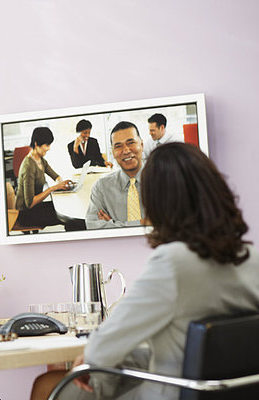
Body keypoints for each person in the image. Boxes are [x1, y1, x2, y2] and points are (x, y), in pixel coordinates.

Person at [31, 142, 259, 400]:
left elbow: (105, 346)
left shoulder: (173, 263)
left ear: (157, 202)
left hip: (172, 392)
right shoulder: (251, 259)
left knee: (48, 384)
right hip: (231, 391)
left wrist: (94, 356)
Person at [14, 127, 84, 231]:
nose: (49, 148)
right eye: (47, 145)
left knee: (64, 208)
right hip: (25, 214)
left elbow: (56, 176)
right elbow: (30, 203)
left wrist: (64, 184)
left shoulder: (40, 160)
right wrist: (53, 188)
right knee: (68, 218)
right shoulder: (28, 166)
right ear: (37, 144)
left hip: (36, 208)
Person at [85, 121, 146, 229]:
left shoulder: (165, 180)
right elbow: (93, 226)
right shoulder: (102, 187)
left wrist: (113, 225)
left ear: (141, 144)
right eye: (118, 146)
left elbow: (171, 224)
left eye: (131, 143)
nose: (126, 150)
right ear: (112, 152)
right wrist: (143, 223)